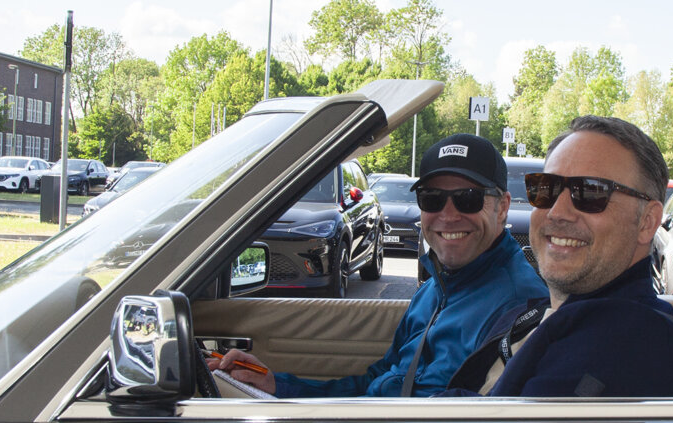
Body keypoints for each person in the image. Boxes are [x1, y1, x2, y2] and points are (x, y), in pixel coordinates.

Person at [210, 133, 547, 397]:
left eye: (468, 198)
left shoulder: (520, 309)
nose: (447, 215)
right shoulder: (434, 290)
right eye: (431, 198)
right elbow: (378, 383)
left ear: (503, 207)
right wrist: (276, 386)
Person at [445, 115, 673, 398]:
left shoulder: (618, 348)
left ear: (647, 222)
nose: (557, 212)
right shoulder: (551, 315)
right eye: (546, 188)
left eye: (591, 191)